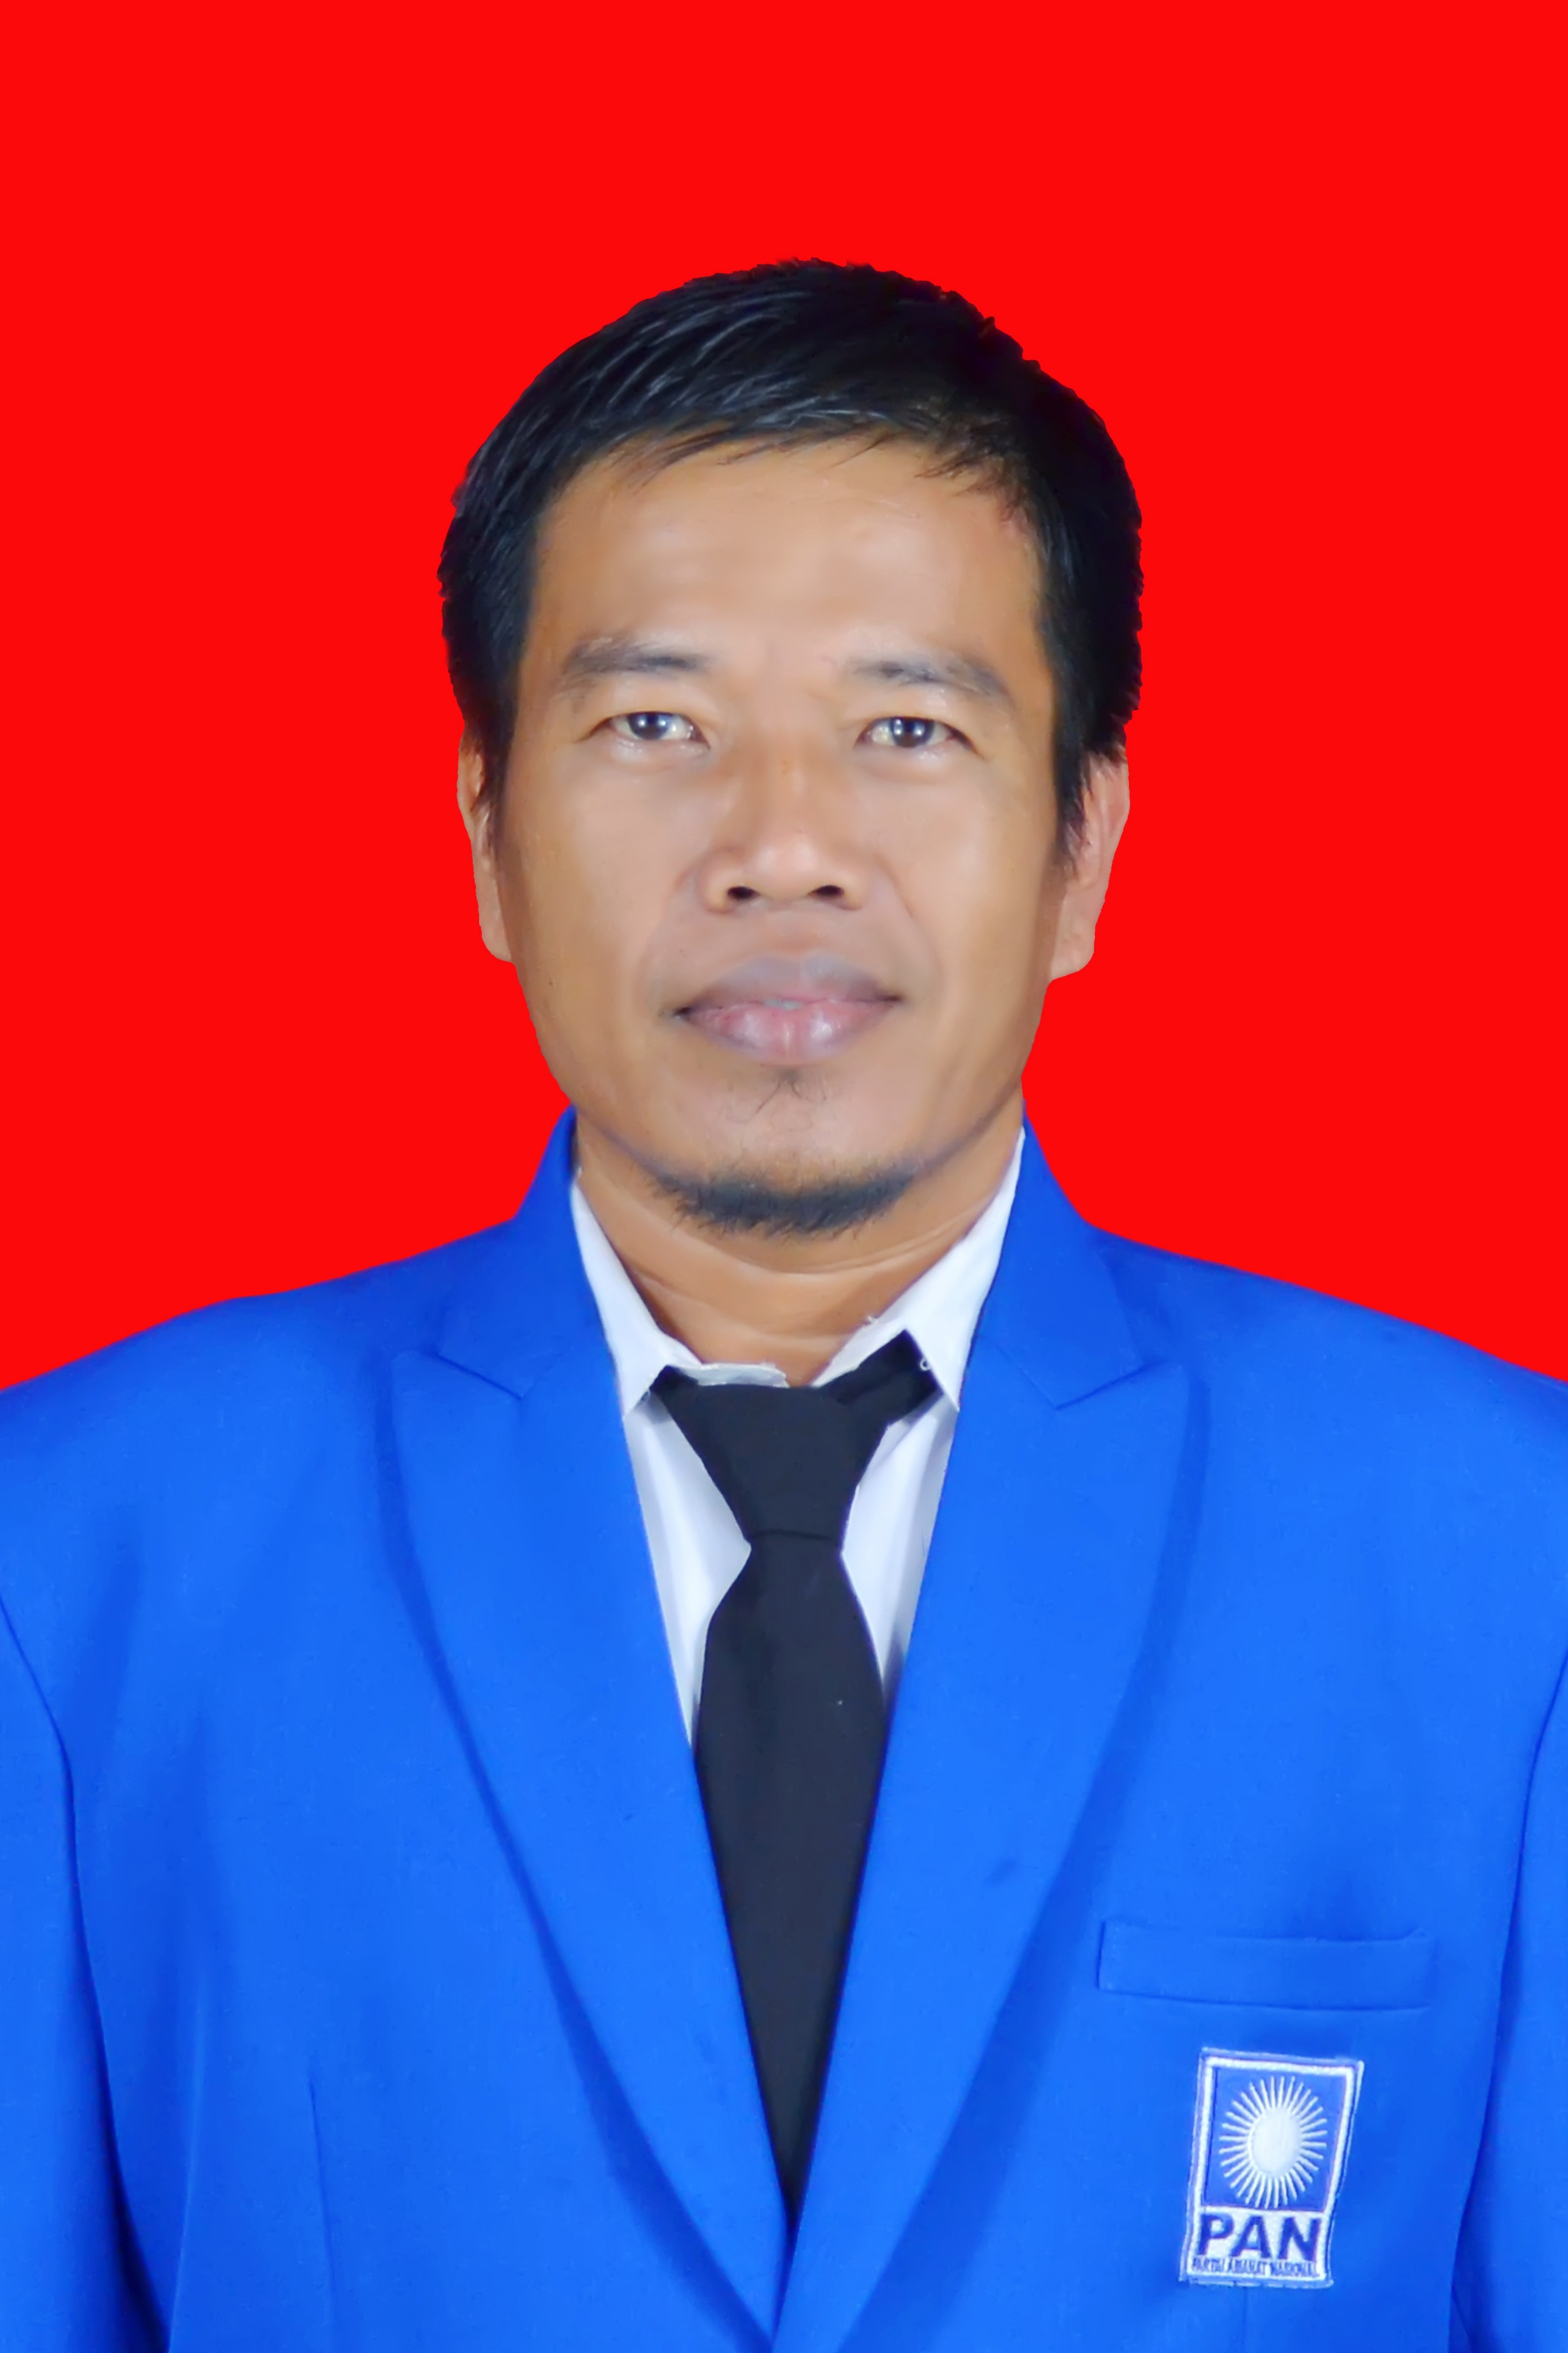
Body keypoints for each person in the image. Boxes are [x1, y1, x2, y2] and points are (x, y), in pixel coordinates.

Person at [0, 262, 1563, 2353]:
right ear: (485, 830)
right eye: (654, 727)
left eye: (906, 729)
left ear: (1082, 844)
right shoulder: (82, 1548)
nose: (782, 848)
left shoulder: (1500, 1555)